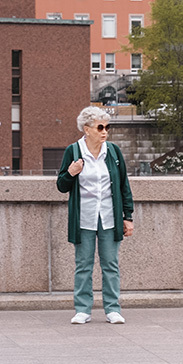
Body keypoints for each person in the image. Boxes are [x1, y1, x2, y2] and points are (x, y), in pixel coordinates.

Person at [56, 106, 134, 325]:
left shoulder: (114, 152)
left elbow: (123, 187)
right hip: (84, 217)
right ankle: (82, 309)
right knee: (83, 264)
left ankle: (112, 309)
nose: (104, 132)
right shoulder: (73, 151)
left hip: (110, 217)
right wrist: (71, 173)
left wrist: (128, 216)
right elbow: (62, 185)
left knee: (110, 264)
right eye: (100, 127)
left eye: (107, 127)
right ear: (87, 129)